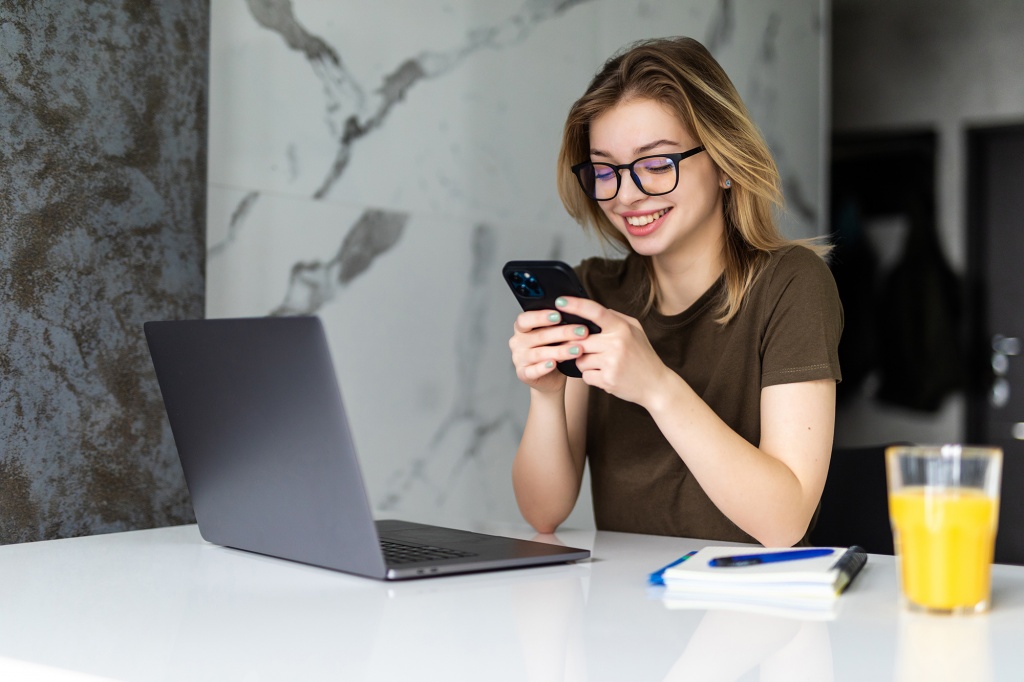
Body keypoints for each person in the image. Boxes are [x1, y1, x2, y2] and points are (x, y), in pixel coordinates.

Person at [508, 37, 842, 547]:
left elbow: (786, 522)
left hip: (749, 610)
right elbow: (543, 513)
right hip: (621, 610)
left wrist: (656, 387)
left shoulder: (791, 284)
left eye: (658, 164)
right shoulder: (595, 291)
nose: (625, 194)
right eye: (604, 170)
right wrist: (547, 398)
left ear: (725, 162)